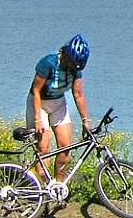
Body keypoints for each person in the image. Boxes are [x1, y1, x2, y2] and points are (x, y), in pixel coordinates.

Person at [28, 34, 91, 180]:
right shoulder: (48, 63)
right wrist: (37, 119)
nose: (73, 68)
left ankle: (57, 187)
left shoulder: (76, 68)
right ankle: (38, 187)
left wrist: (85, 120)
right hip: (39, 103)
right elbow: (35, 91)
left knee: (65, 148)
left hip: (58, 104)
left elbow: (78, 94)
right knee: (43, 149)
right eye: (71, 63)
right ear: (66, 55)